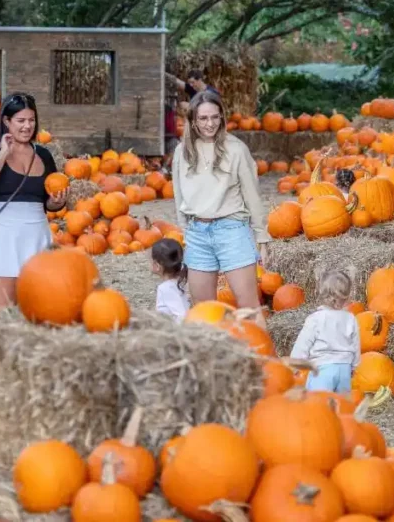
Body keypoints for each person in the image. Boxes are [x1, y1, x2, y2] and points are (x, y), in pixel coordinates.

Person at [0, 93, 68, 309]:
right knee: (1, 314)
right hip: (1, 238)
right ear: (6, 121)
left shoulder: (44, 155)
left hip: (37, 235)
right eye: (20, 121)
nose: (27, 126)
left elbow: (44, 201)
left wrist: (56, 203)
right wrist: (4, 152)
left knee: (37, 312)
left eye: (31, 120)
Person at [172, 90, 272, 310]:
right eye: (203, 118)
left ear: (222, 118)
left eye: (215, 117)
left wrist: (262, 238)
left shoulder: (236, 150)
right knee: (203, 310)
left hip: (232, 230)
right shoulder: (182, 153)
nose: (210, 124)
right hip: (198, 234)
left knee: (248, 308)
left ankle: (255, 345)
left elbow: (252, 196)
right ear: (193, 121)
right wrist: (186, 232)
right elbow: (179, 195)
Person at [290, 269, 360, 395]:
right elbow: (355, 345)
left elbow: (303, 344)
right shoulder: (350, 318)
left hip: (322, 370)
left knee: (319, 404)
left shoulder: (315, 319)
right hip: (344, 369)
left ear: (321, 293)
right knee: (342, 406)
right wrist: (355, 366)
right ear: (348, 296)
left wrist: (295, 364)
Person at [152, 238, 191, 321]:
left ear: (157, 265)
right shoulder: (181, 282)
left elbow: (182, 315)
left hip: (172, 330)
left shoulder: (166, 288)